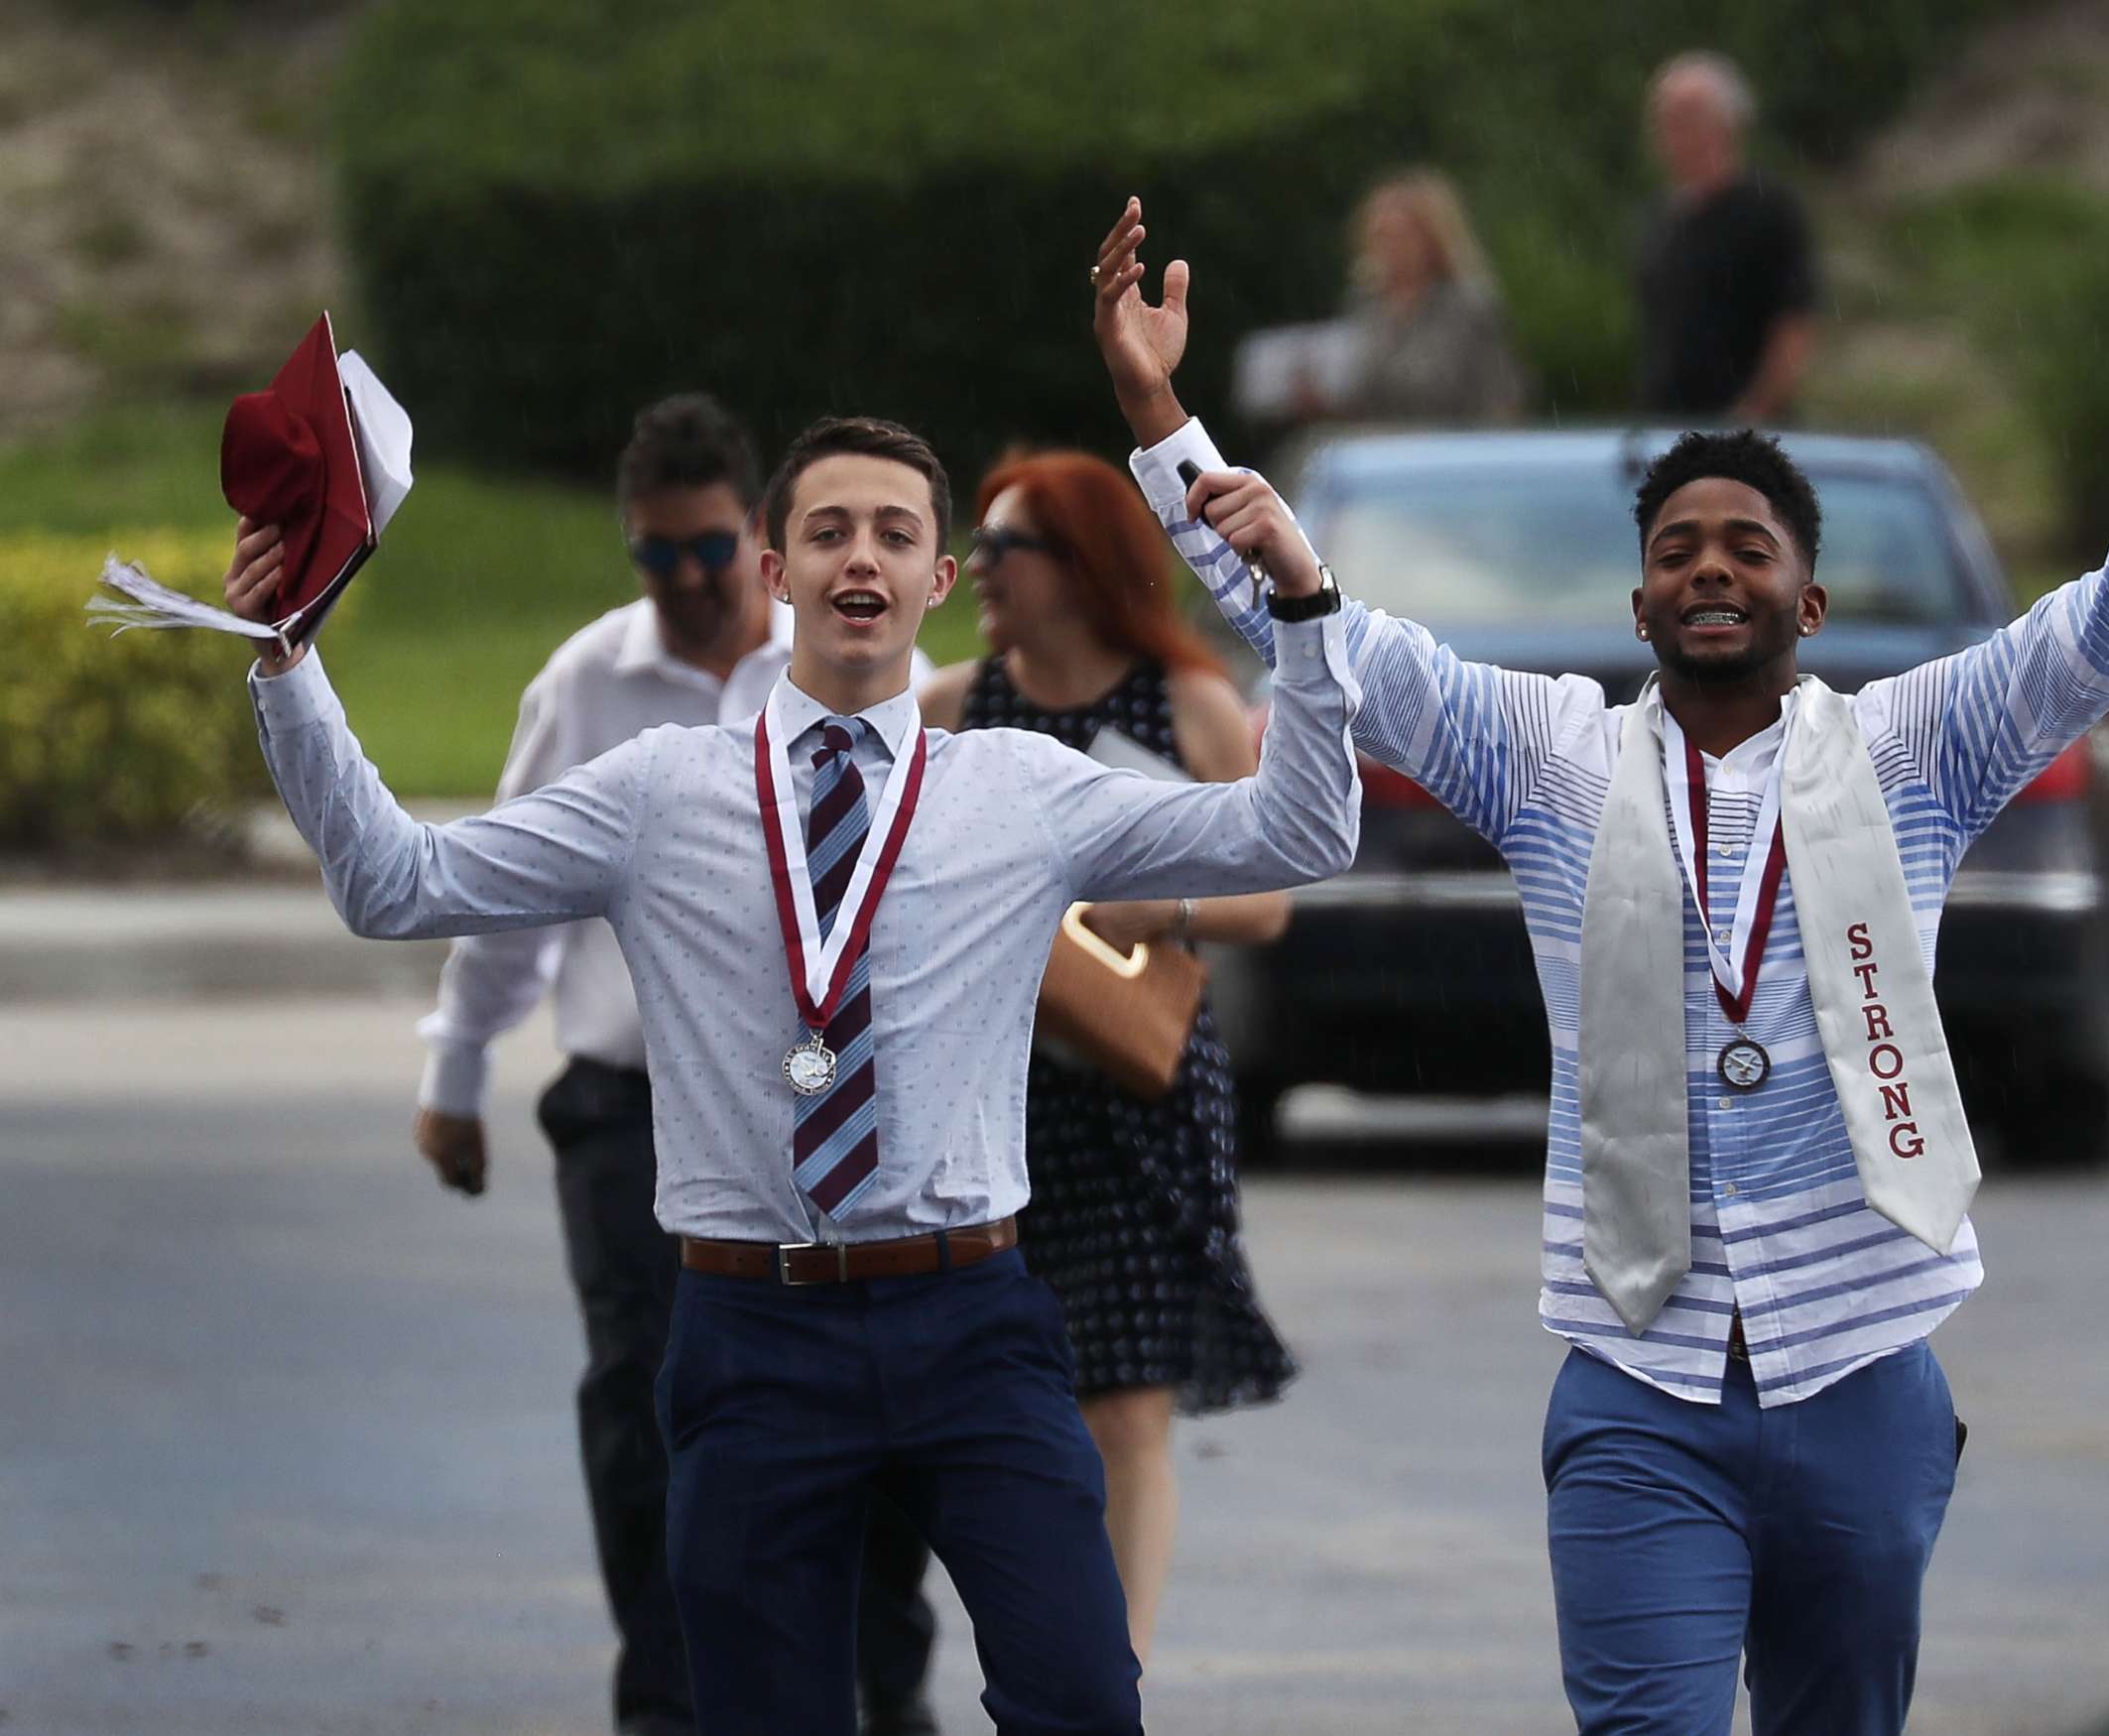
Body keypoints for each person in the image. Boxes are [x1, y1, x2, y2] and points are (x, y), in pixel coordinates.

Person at [1092, 195, 2109, 1733]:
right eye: (1676, 551)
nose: (1709, 569)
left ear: (1806, 599)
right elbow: (1319, 618)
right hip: (1638, 1385)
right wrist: (1161, 418)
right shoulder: (1548, 757)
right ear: (1642, 599)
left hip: (1863, 1363)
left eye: (1747, 546)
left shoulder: (1913, 747)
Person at [222, 407, 1362, 1735]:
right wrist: (287, 663)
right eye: (827, 531)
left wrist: (1305, 601)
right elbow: (395, 881)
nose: (858, 558)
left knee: (1084, 1696)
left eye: (896, 533)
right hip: (753, 1330)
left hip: (973, 1315)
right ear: (777, 570)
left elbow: (1305, 826)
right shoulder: (659, 792)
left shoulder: (1018, 788)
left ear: (940, 581)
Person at [407, 393, 939, 1736]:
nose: (689, 586)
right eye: (659, 558)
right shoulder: (587, 681)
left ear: (757, 543)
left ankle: (888, 1690)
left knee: (872, 1403)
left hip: (824, 1095)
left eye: (710, 553)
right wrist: (455, 1074)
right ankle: (669, 1702)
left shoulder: (851, 658)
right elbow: (509, 893)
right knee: (651, 1397)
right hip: (632, 1105)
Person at [911, 450, 1299, 1663]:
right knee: (1011, 1402)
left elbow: (1268, 893)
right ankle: (1037, 1636)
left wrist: (1165, 905)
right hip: (993, 1091)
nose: (978, 569)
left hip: (1143, 1091)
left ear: (1077, 569)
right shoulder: (951, 708)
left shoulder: (1178, 706)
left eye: (1005, 547)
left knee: (1130, 1403)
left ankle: (1106, 1675)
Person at [1633, 53, 1819, 423]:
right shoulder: (1660, 218)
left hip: (1745, 430)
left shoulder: (1768, 211)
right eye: (1663, 120)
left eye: (1685, 118)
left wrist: (1755, 412)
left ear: (1728, 123)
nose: (1671, 134)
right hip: (1666, 428)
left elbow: (1794, 323)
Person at [1323, 170, 1525, 425]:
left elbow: (1503, 398)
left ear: (1431, 240)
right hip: (1377, 453)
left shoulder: (1467, 306)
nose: (1387, 249)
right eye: (1379, 237)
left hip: (1446, 451)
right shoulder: (1362, 304)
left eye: (1399, 236)